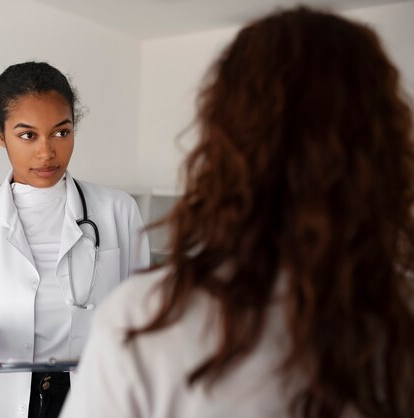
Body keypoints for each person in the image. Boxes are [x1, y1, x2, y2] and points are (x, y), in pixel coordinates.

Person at [60, 7, 414, 418]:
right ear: (382, 146)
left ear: (222, 143)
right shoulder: (400, 316)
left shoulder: (145, 320)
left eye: (62, 130)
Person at [0, 61, 150, 418]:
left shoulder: (117, 211)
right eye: (27, 135)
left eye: (61, 132)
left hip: (91, 397)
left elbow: (144, 315)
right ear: (0, 134)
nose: (47, 152)